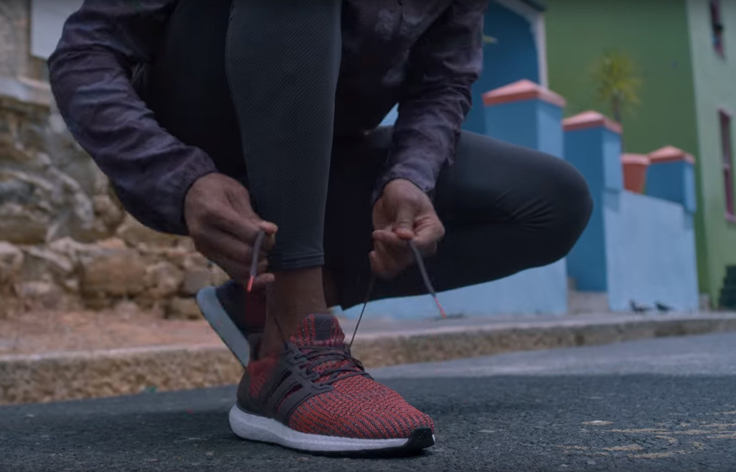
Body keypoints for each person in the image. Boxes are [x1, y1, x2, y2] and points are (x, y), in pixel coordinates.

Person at [49, 0, 592, 455]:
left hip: (322, 161)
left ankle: (261, 306)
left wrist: (409, 179)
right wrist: (178, 176)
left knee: (552, 202)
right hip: (197, 141)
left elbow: (442, 84)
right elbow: (82, 55)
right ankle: (296, 334)